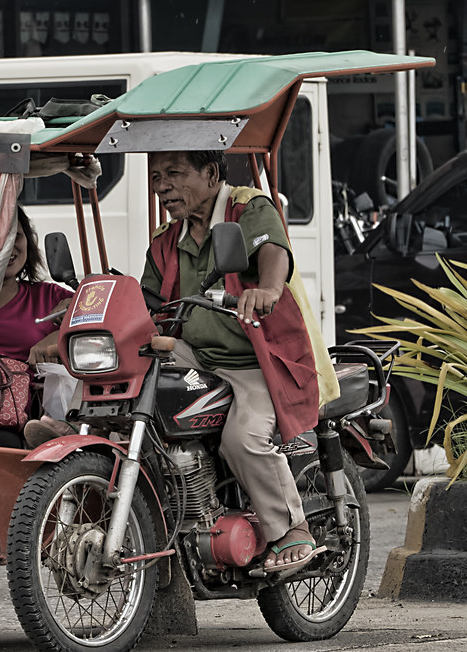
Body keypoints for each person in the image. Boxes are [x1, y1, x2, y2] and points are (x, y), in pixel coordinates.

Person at [141, 150, 327, 574]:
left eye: (174, 174)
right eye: (156, 177)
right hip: (196, 357)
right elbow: (147, 300)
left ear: (210, 174)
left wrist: (268, 288)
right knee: (130, 369)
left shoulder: (248, 207)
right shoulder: (168, 238)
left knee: (242, 438)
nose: (163, 186)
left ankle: (291, 528)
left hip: (254, 362)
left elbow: (272, 251)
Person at [0, 206, 72, 448]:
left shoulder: (48, 296)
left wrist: (59, 334)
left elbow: (103, 311)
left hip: (18, 421)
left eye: (15, 236)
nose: (8, 246)